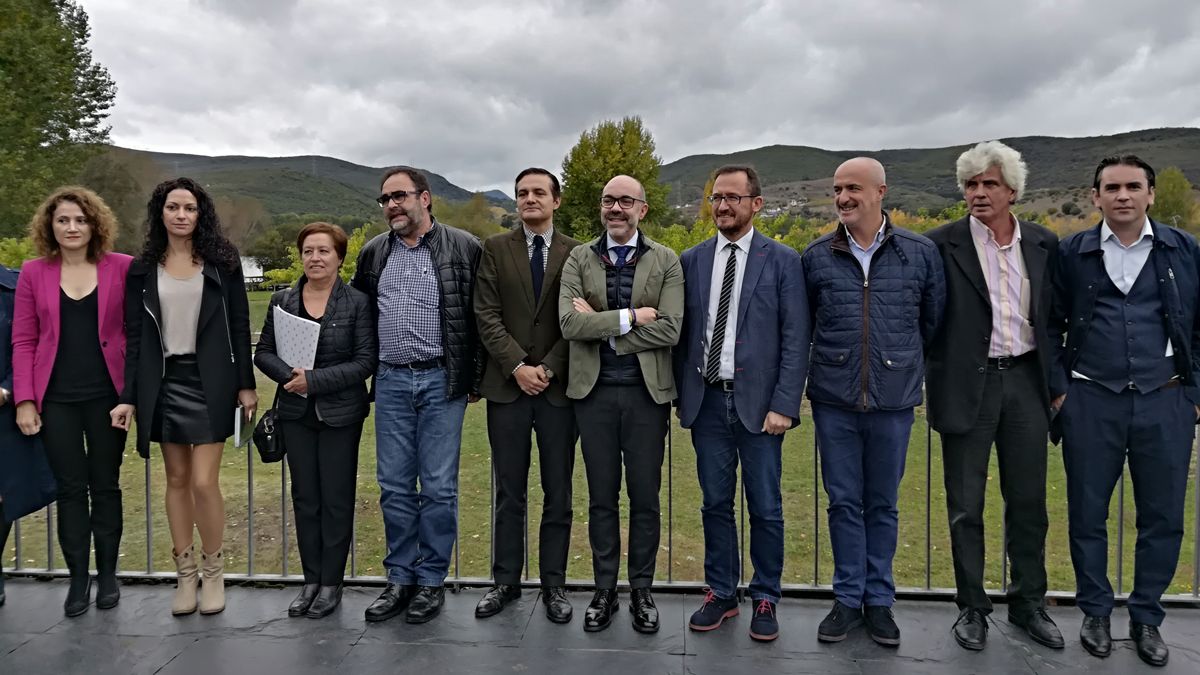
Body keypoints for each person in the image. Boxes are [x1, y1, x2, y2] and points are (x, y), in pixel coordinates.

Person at [1048, 155, 1200, 668]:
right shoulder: (1072, 251)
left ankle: (1147, 617)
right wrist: (1059, 389)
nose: (1123, 196)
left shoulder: (1185, 250)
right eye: (1111, 187)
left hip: (1166, 400)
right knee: (1087, 514)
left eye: (1134, 186)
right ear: (1095, 197)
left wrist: (1194, 393)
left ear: (1151, 194)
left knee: (1162, 516)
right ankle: (1094, 612)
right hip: (1090, 399)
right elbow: (1048, 324)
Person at [925, 141, 1062, 651]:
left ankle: (1028, 604)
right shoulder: (940, 244)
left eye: (990, 184)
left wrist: (1059, 386)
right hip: (966, 387)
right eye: (971, 184)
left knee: (1028, 502)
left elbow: (1059, 321)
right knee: (966, 505)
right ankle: (972, 608)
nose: (979, 193)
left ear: (1013, 191)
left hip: (1027, 383)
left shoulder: (1046, 243)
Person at [802, 158, 945, 646]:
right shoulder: (817, 254)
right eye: (838, 189)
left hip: (893, 401)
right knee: (843, 503)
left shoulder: (919, 253)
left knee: (882, 504)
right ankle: (847, 599)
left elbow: (932, 323)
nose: (843, 197)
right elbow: (806, 326)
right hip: (834, 400)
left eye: (853, 188)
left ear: (881, 191)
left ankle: (879, 601)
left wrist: (899, 367)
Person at [110, 177, 257, 617]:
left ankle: (214, 572)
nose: (180, 215)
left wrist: (246, 384)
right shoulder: (141, 268)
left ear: (200, 214)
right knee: (175, 480)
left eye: (188, 208)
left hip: (211, 381)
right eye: (172, 207)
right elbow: (135, 339)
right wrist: (130, 396)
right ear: (161, 213)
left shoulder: (222, 263)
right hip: (164, 383)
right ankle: (185, 574)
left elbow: (237, 322)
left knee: (201, 481)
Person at [675, 165, 810, 642]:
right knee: (715, 503)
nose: (723, 205)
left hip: (759, 406)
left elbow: (796, 339)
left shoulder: (783, 260)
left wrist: (785, 404)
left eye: (733, 197)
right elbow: (682, 334)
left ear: (756, 203)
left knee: (766, 506)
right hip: (707, 403)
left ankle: (767, 595)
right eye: (717, 197)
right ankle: (721, 592)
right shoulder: (690, 260)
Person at [351, 166, 483, 624]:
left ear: (425, 199)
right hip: (389, 382)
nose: (391, 205)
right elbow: (359, 316)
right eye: (384, 198)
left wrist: (473, 379)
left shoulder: (464, 247)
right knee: (393, 487)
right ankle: (400, 578)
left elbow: (480, 318)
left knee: (440, 488)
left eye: (400, 196)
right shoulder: (373, 253)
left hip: (441, 382)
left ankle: (431, 582)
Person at [559, 174, 683, 634]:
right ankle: (604, 589)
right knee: (601, 498)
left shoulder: (666, 260)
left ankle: (643, 589)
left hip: (647, 397)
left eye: (625, 201)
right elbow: (570, 325)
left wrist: (606, 330)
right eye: (608, 199)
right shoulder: (578, 257)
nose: (615, 208)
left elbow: (670, 330)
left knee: (645, 498)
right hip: (592, 397)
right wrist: (631, 318)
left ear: (642, 209)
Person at [11, 187, 133, 617]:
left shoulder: (122, 268)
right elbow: (24, 340)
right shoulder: (33, 272)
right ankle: (78, 580)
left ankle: (109, 577)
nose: (72, 227)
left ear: (94, 224)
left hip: (108, 400)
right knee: (69, 490)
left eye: (80, 219)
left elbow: (135, 338)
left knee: (105, 486)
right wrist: (25, 400)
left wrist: (130, 397)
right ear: (50, 225)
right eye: (63, 220)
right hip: (56, 401)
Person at [474, 168, 581, 623]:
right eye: (522, 193)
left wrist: (549, 368)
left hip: (559, 392)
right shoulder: (494, 250)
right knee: (509, 492)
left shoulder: (579, 252)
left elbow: (581, 317)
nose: (529, 198)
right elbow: (486, 314)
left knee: (558, 491)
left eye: (539, 192)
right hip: (508, 389)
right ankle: (505, 582)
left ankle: (554, 585)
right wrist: (517, 367)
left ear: (556, 200)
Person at [254, 222, 376, 619]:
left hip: (340, 416)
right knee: (305, 498)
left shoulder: (357, 303)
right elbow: (264, 352)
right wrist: (291, 378)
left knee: (336, 500)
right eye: (308, 250)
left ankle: (331, 583)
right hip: (295, 414)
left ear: (340, 257)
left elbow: (365, 362)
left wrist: (314, 381)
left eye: (324, 251)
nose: (315, 258)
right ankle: (310, 580)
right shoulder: (283, 299)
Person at [0, 262, 59, 609]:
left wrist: (9, 391)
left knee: (3, 496)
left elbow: (30, 342)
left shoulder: (15, 285)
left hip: (4, 408)